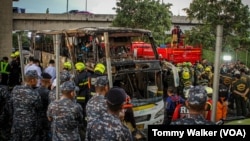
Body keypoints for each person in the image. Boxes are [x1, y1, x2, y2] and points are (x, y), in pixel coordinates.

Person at [9, 70, 42, 140]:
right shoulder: (34, 94)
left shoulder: (15, 89)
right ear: (32, 80)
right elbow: (39, 108)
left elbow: (10, 105)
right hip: (29, 125)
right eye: (37, 79)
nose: (37, 81)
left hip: (16, 123)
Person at [36, 72, 52, 141]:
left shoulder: (35, 90)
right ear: (48, 81)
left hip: (36, 117)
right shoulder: (48, 93)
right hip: (45, 118)